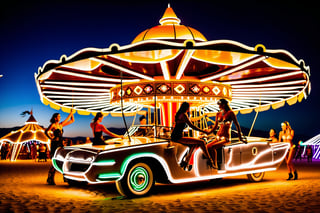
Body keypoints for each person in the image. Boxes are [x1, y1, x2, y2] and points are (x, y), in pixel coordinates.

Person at [171, 102, 215, 170]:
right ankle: (210, 161)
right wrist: (204, 131)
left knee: (194, 144)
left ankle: (186, 161)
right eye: (189, 107)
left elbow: (178, 126)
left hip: (175, 135)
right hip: (178, 137)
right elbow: (192, 126)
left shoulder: (179, 114)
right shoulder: (184, 115)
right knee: (202, 142)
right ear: (187, 108)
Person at [206, 99, 246, 168]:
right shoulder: (218, 114)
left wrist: (240, 138)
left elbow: (237, 125)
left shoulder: (230, 113)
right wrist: (208, 133)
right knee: (207, 147)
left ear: (223, 105)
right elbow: (215, 127)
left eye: (220, 104)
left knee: (212, 147)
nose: (218, 106)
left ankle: (214, 165)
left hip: (226, 137)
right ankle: (211, 164)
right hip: (218, 137)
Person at [45, 110, 75, 185]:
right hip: (55, 144)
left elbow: (72, 120)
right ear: (55, 118)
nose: (60, 117)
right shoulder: (53, 125)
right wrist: (50, 137)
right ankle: (50, 178)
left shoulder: (60, 125)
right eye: (58, 116)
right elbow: (46, 131)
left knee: (63, 160)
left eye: (60, 116)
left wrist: (72, 114)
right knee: (55, 161)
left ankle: (65, 177)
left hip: (60, 144)